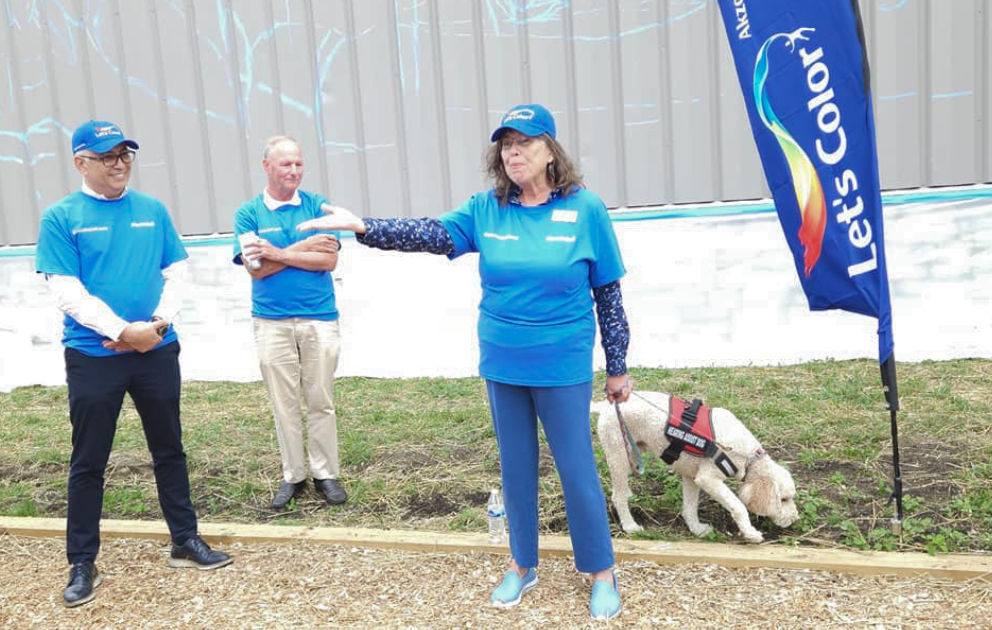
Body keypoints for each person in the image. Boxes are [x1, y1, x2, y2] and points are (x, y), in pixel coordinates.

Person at [298, 104, 632, 621]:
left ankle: (601, 571)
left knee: (576, 470)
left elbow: (608, 294)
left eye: (525, 142)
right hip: (503, 361)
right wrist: (364, 226)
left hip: (562, 363)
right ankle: (522, 564)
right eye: (506, 144)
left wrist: (617, 365)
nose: (513, 152)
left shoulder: (586, 210)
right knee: (515, 468)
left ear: (550, 151)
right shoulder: (487, 209)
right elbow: (430, 234)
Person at [35, 120, 233, 609]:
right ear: (81, 162)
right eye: (107, 156)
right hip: (93, 355)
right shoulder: (61, 217)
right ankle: (82, 562)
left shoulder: (152, 209)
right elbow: (66, 290)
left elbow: (177, 270)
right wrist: (125, 332)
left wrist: (156, 327)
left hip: (157, 351)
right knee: (89, 461)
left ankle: (184, 539)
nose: (119, 164)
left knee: (169, 448)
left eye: (125, 154)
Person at [233, 135, 347, 510]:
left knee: (320, 399)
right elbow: (256, 269)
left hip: (319, 318)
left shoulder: (316, 206)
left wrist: (278, 252)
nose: (294, 171)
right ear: (266, 166)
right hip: (271, 322)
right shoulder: (248, 214)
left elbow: (328, 260)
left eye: (298, 163)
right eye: (286, 164)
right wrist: (302, 249)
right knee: (284, 404)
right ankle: (293, 476)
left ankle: (325, 474)